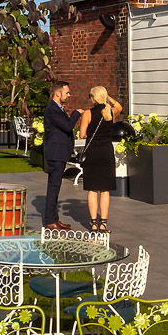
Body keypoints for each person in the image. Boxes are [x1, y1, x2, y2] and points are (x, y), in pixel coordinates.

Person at [75, 85, 129, 234]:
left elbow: (82, 134)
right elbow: (119, 106)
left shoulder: (88, 113)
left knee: (92, 189)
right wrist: (108, 98)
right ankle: (103, 224)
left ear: (93, 98)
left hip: (93, 152)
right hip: (106, 151)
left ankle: (93, 224)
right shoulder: (110, 112)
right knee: (105, 190)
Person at [41, 80, 77, 230]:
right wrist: (76, 114)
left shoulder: (58, 108)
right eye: (66, 92)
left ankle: (54, 219)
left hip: (59, 152)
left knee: (56, 187)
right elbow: (67, 126)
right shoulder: (52, 109)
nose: (69, 95)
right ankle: (50, 220)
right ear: (58, 93)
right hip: (56, 153)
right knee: (54, 187)